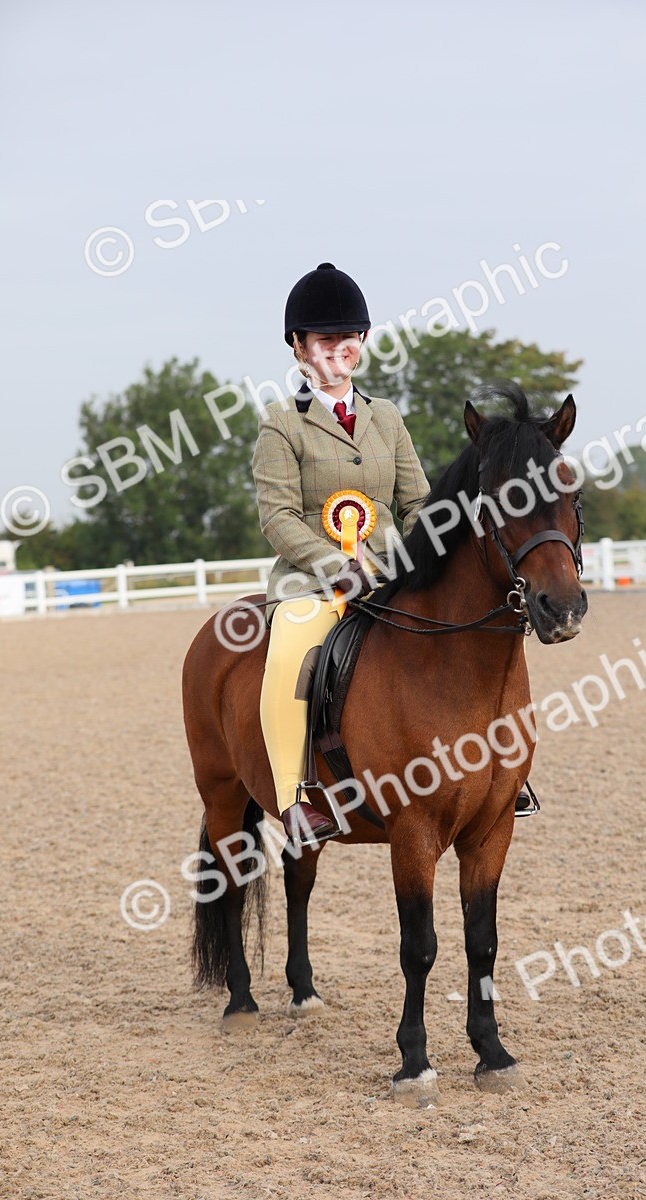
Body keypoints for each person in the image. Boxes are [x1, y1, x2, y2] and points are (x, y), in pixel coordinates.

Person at [252, 263, 431, 843]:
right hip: (311, 581)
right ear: (299, 347)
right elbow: (278, 517)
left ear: (364, 340)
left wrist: (434, 553)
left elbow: (418, 503)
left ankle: (495, 774)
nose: (339, 348)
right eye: (325, 338)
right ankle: (293, 799)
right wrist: (336, 566)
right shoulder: (282, 424)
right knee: (290, 649)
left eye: (348, 336)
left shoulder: (387, 417)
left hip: (390, 572)